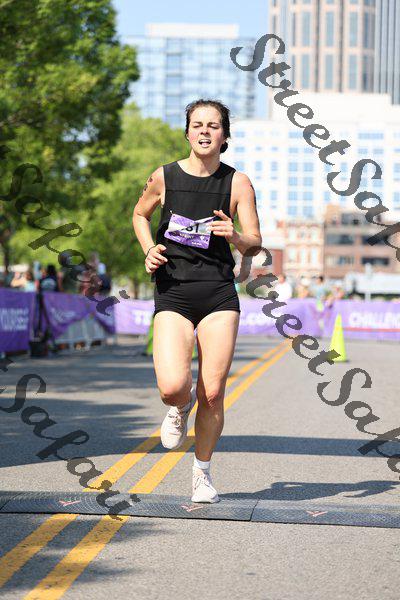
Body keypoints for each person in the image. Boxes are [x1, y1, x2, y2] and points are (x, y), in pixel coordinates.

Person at [132, 99, 262, 503]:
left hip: (218, 293)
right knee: (173, 387)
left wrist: (235, 237)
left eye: (213, 125)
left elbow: (255, 242)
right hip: (173, 290)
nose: (205, 131)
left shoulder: (238, 183)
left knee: (213, 393)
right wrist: (148, 249)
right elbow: (139, 215)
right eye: (198, 124)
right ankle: (179, 406)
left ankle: (202, 473)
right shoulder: (164, 176)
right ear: (187, 132)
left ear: (225, 136)